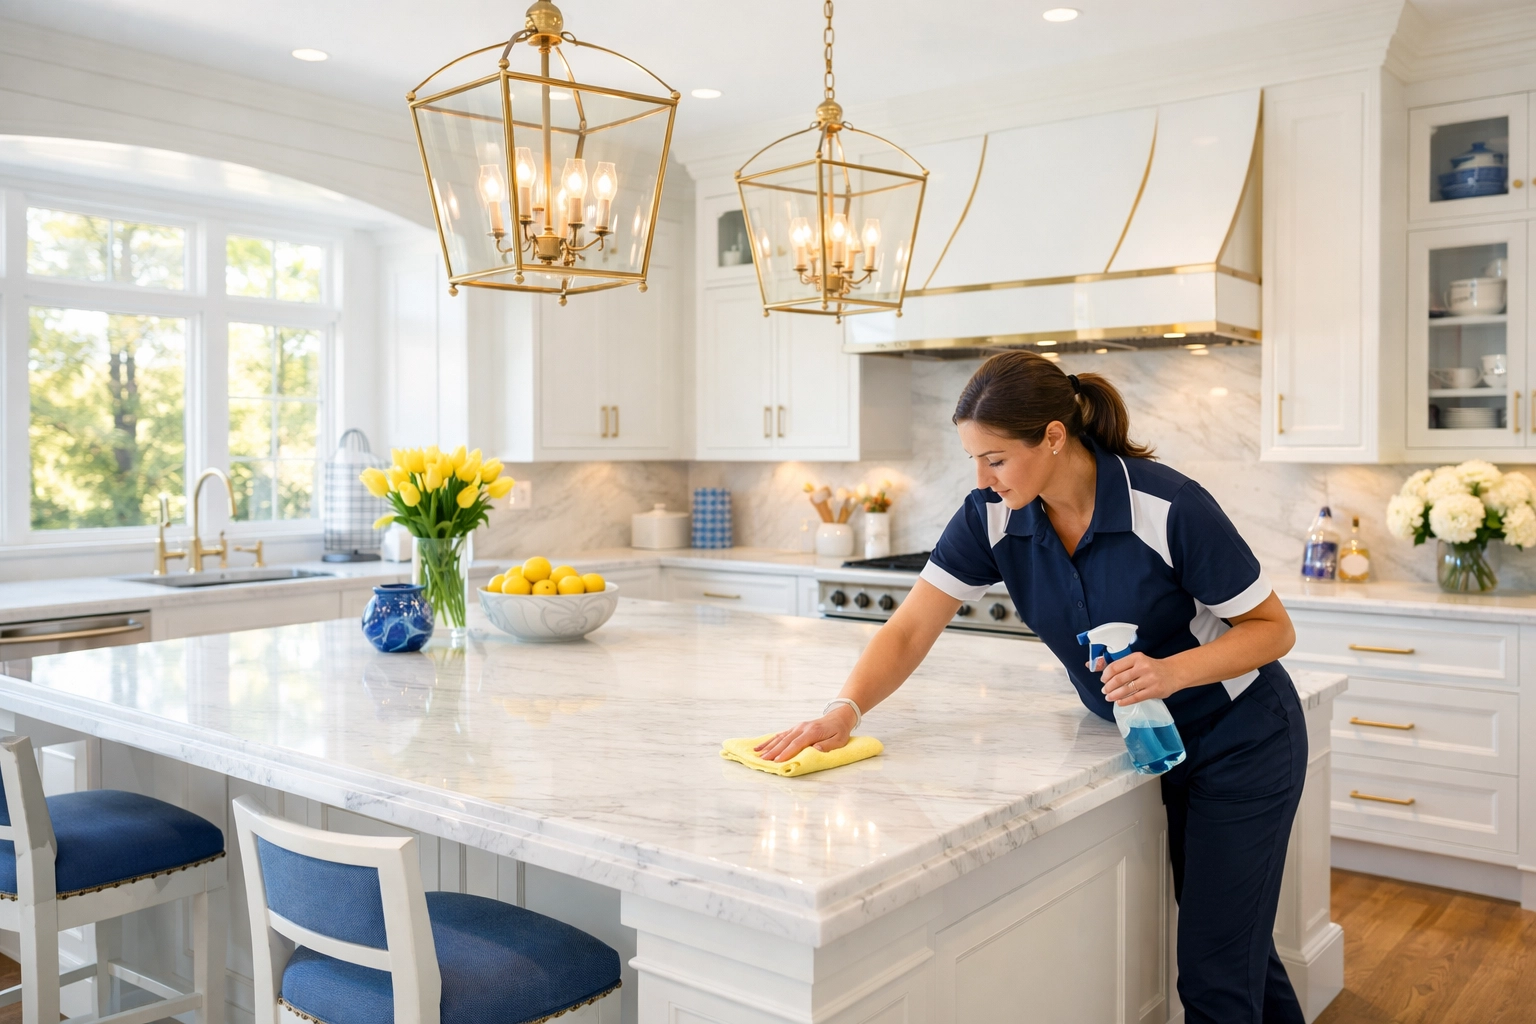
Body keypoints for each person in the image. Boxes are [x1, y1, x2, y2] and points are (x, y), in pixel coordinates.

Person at [757, 350, 1305, 1024]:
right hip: (1149, 739)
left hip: (1240, 738)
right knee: (1235, 949)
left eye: (995, 459)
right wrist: (843, 710)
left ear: (1052, 436)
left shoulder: (1167, 506)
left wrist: (1169, 671)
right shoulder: (992, 515)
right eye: (973, 459)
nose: (982, 478)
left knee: (1216, 970)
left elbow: (1273, 630)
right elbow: (909, 629)